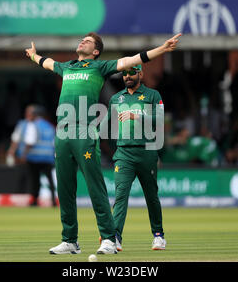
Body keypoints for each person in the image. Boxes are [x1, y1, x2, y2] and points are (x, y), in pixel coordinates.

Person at [25, 32, 181, 254]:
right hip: (63, 132)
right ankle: (70, 240)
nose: (82, 42)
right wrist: (33, 55)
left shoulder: (100, 67)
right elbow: (48, 63)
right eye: (82, 40)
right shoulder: (67, 67)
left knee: (95, 186)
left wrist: (162, 49)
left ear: (96, 51)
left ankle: (108, 238)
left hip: (85, 130)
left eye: (88, 41)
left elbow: (132, 60)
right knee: (65, 188)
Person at [105, 64, 166, 251]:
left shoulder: (153, 95)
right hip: (124, 153)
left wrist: (135, 116)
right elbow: (106, 123)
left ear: (141, 73)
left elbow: (161, 120)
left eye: (132, 72)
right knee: (120, 195)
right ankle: (115, 237)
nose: (128, 76)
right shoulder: (116, 98)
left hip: (147, 151)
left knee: (151, 195)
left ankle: (158, 235)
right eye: (124, 73)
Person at [7, 105, 57, 207]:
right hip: (48, 158)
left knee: (34, 180)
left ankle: (34, 201)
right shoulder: (50, 126)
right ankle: (53, 201)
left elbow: (30, 141)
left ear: (35, 115)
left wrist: (23, 155)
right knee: (50, 180)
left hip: (34, 158)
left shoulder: (32, 125)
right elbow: (54, 143)